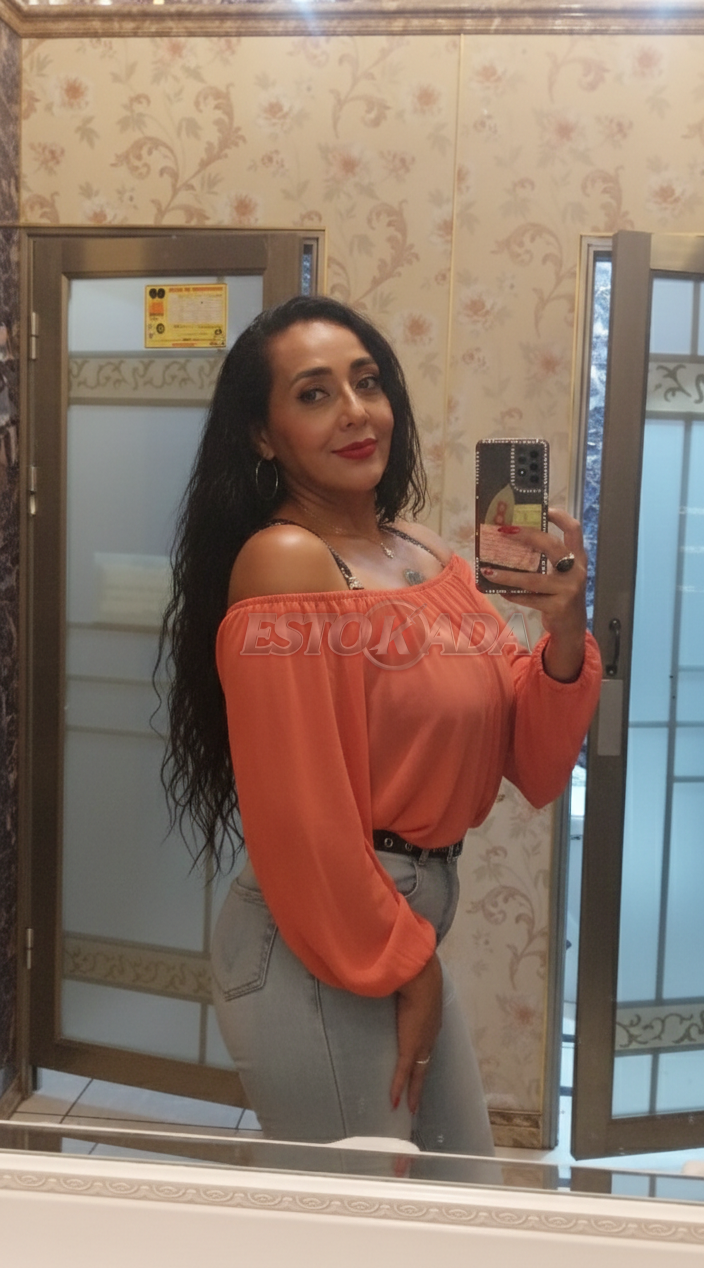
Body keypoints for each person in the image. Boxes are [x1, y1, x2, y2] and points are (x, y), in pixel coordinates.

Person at [160, 294, 602, 1156]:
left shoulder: (424, 551)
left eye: (367, 383)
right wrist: (412, 966)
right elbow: (303, 821)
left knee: (460, 1200)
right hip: (320, 934)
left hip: (400, 928)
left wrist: (564, 628)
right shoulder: (287, 562)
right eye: (314, 394)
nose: (356, 412)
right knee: (360, 1213)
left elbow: (534, 760)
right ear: (262, 436)